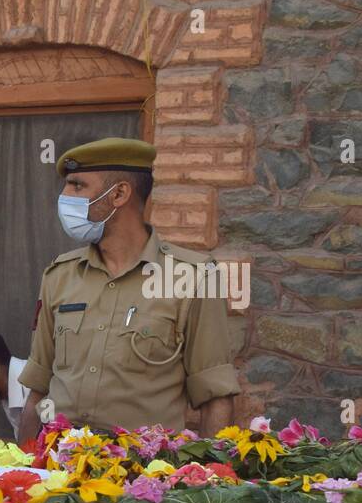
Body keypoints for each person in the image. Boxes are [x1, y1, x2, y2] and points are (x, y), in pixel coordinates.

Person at [17, 139, 238, 442]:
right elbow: (39, 387)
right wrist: (27, 466)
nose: (65, 197)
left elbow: (215, 394)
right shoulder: (60, 275)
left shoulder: (194, 277)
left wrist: (212, 478)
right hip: (58, 468)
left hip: (141, 478)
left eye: (77, 186)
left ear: (119, 193)